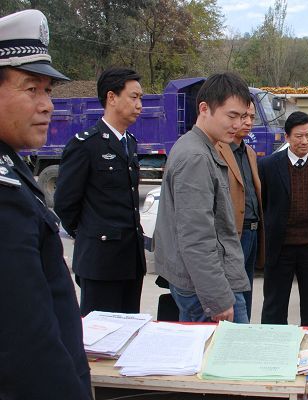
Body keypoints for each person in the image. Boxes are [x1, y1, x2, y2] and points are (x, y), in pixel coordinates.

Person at [0, 9, 91, 398]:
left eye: (48, 90)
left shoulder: (12, 168)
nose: (47, 105)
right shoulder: (4, 197)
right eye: (31, 88)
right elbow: (27, 347)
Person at [154, 72, 251, 323]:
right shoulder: (196, 156)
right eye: (231, 116)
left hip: (207, 282)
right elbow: (196, 237)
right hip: (206, 289)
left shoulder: (201, 147)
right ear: (204, 108)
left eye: (242, 116)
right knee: (224, 348)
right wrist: (217, 298)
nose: (238, 124)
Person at [54, 68, 146, 316]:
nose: (139, 105)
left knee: (130, 330)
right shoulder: (86, 145)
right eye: (134, 97)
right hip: (101, 262)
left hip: (131, 260)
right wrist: (90, 234)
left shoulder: (130, 142)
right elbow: (65, 203)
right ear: (111, 97)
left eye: (140, 98)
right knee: (100, 333)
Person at [260, 111, 308, 327]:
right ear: (287, 137)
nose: (304, 141)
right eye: (299, 136)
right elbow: (264, 203)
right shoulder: (268, 165)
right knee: (275, 305)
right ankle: (273, 344)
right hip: (280, 247)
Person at [215, 100, 264, 321]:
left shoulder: (249, 152)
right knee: (234, 295)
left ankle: (246, 332)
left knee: (246, 289)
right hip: (234, 232)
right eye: (243, 116)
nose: (248, 122)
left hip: (252, 230)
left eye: (252, 117)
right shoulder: (217, 150)